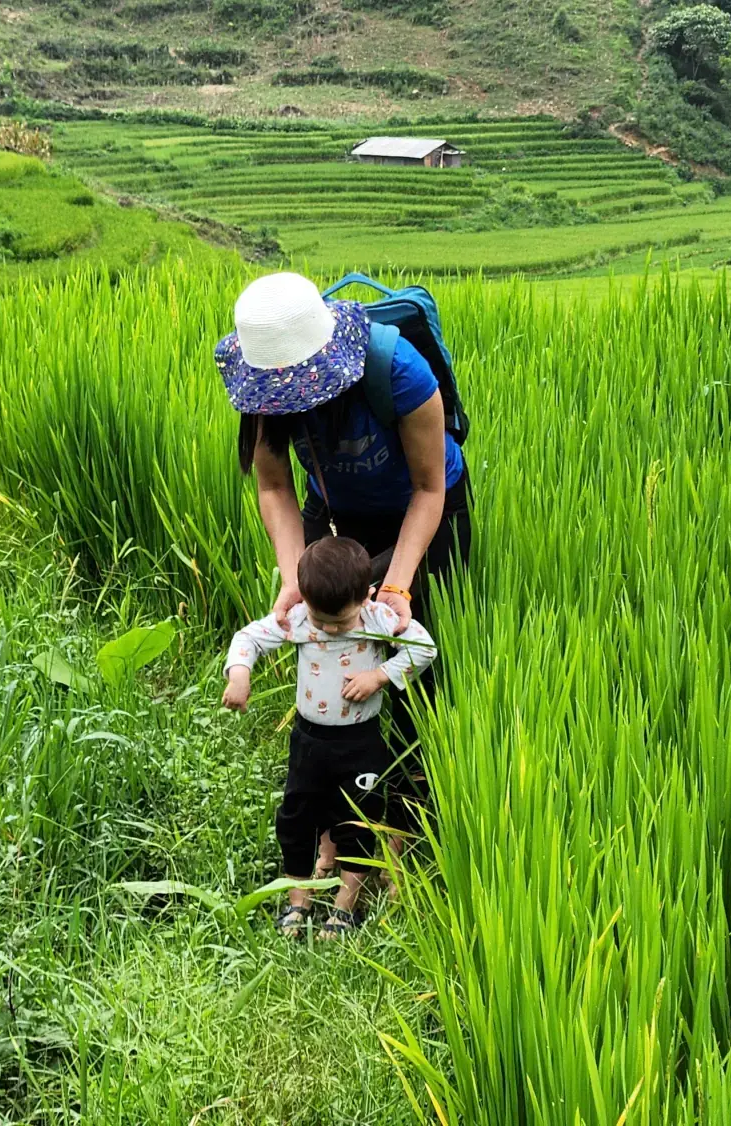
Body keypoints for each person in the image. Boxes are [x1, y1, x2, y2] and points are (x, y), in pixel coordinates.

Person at [216, 272, 472, 638]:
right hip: (335, 507)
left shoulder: (400, 369)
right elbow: (275, 487)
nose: (287, 401)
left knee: (416, 638)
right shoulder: (262, 400)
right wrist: (293, 580)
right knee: (330, 631)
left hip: (424, 502)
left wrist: (397, 586)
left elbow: (428, 487)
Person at [222, 536, 436, 939]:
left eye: (341, 622)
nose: (331, 629)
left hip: (361, 742)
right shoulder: (301, 618)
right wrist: (240, 674)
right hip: (309, 741)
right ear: (304, 600)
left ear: (367, 596)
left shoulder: (377, 618)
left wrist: (380, 675)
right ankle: (297, 898)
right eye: (323, 621)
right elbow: (248, 638)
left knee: (359, 818)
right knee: (298, 816)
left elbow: (424, 648)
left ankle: (345, 904)